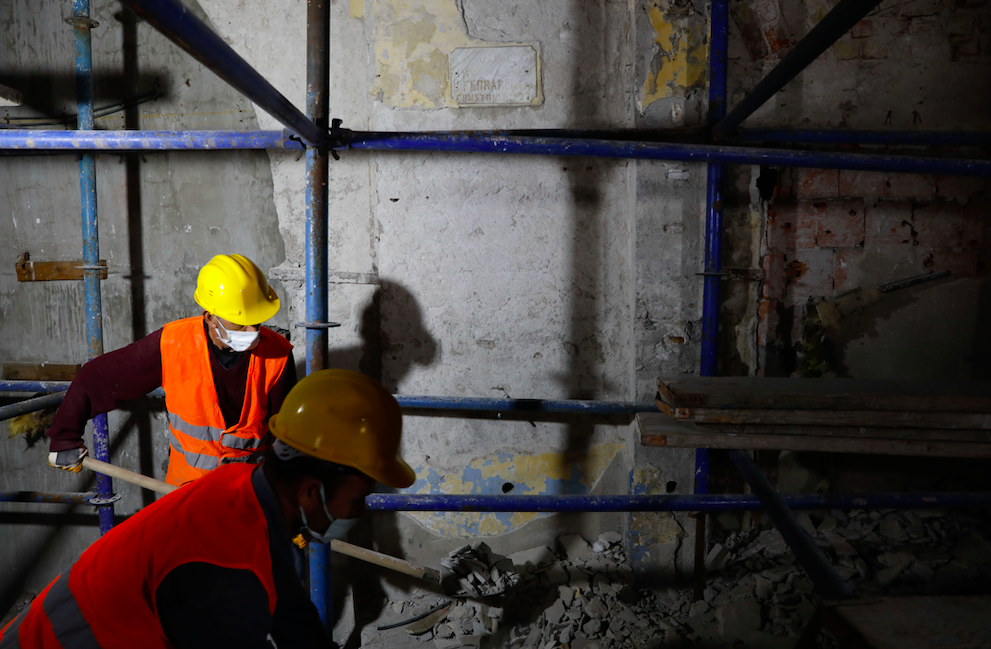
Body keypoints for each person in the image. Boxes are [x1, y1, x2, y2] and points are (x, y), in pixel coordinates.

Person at [1, 369, 416, 649]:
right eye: (357, 498)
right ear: (311, 491)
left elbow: (291, 614)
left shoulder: (245, 488)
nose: (360, 513)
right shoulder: (227, 574)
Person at [46, 253, 296, 486]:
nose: (252, 332)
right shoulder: (173, 344)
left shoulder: (278, 354)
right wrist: (64, 437)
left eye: (256, 322)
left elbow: (285, 435)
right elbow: (97, 379)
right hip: (187, 492)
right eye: (241, 324)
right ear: (210, 317)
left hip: (250, 492)